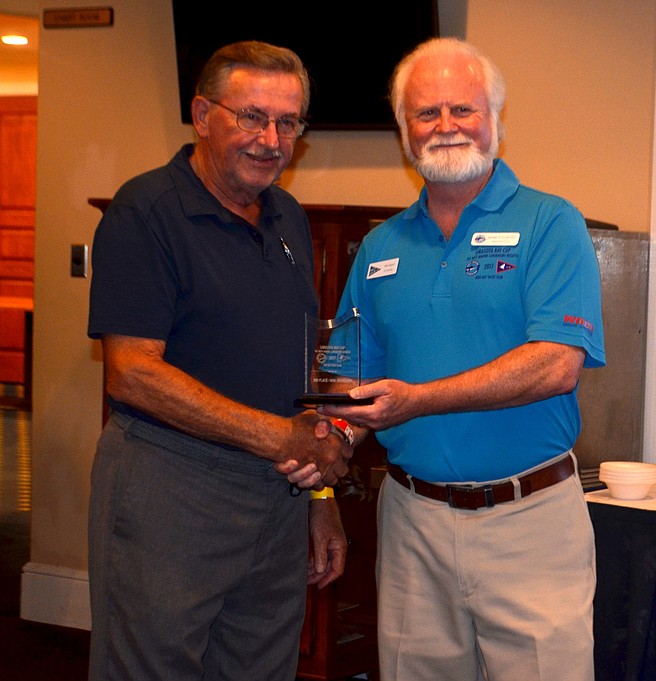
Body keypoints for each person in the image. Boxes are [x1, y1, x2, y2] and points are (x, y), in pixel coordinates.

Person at [322, 37, 606, 681]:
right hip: (410, 524)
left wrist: (418, 400)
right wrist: (323, 454)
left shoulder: (550, 223)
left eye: (462, 109)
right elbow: (348, 378)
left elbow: (555, 364)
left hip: (530, 521)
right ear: (404, 131)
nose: (445, 125)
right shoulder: (379, 247)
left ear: (495, 121)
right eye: (426, 113)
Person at [86, 41, 355, 681]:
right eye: (251, 117)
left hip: (277, 495)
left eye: (288, 123)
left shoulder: (288, 216)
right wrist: (278, 438)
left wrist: (319, 493)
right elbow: (132, 372)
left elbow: (297, 368)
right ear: (203, 116)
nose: (271, 140)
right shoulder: (144, 212)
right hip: (170, 488)